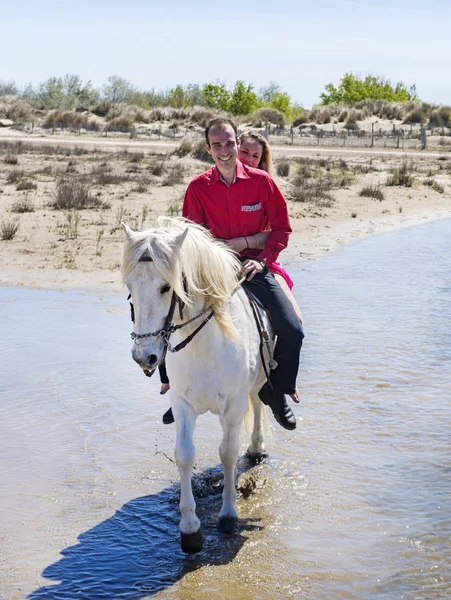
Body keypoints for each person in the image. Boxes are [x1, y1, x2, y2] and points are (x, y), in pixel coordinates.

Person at [161, 117, 304, 430]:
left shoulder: (261, 182)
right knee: (166, 310)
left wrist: (263, 261)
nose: (224, 150)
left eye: (229, 144)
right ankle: (175, 389)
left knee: (293, 329)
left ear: (238, 145)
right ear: (208, 149)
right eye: (217, 145)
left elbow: (281, 228)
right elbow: (191, 236)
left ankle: (275, 389)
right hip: (213, 270)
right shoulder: (198, 188)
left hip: (253, 266)